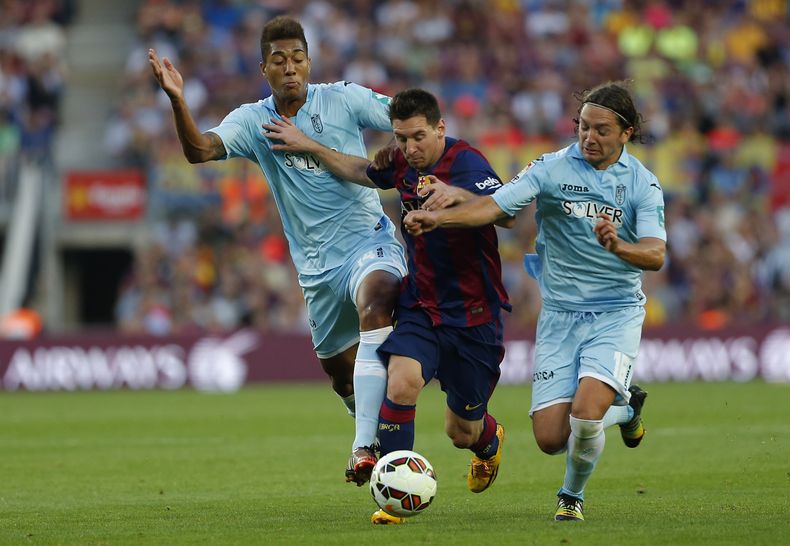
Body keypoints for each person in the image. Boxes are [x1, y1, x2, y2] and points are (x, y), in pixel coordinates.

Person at [148, 16, 407, 486]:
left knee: (377, 303)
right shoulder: (253, 120)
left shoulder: (344, 98)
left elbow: (404, 117)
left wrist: (394, 149)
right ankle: (373, 432)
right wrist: (178, 100)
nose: (290, 68)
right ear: (263, 68)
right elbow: (200, 151)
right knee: (340, 377)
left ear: (310, 62)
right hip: (316, 269)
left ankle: (369, 447)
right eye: (279, 60)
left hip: (370, 241)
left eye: (298, 58)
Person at [404, 81, 666, 522]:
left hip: (615, 312)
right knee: (549, 438)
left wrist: (618, 247)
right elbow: (496, 208)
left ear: (626, 132)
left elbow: (656, 254)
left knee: (584, 417)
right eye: (583, 127)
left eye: (601, 129)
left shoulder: (643, 183)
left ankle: (571, 496)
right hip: (560, 315)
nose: (589, 137)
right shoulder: (550, 168)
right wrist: (439, 217)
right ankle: (625, 409)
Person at [263, 88, 513, 525]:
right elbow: (361, 171)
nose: (409, 149)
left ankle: (488, 441)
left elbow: (503, 212)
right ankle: (395, 498)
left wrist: (450, 201)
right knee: (400, 385)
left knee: (461, 430)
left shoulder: (467, 162)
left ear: (440, 128)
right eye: (400, 138)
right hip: (421, 305)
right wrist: (310, 147)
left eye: (418, 137)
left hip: (474, 317)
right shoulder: (401, 162)